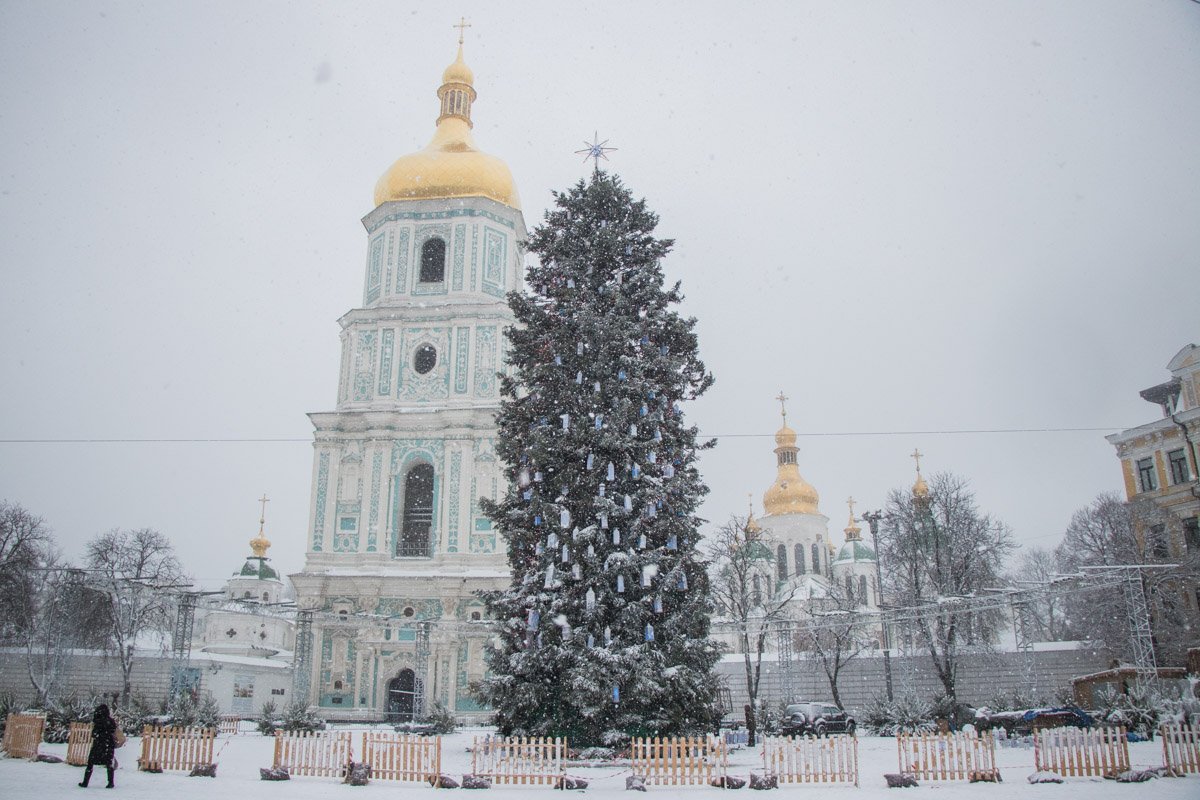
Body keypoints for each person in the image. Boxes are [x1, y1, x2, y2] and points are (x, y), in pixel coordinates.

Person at [79, 704, 117, 788]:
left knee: (90, 763)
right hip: (108, 744)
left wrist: (98, 735)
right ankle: (110, 782)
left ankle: (85, 782)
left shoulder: (98, 720)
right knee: (109, 764)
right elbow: (113, 730)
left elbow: (94, 734)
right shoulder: (110, 721)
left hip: (98, 744)